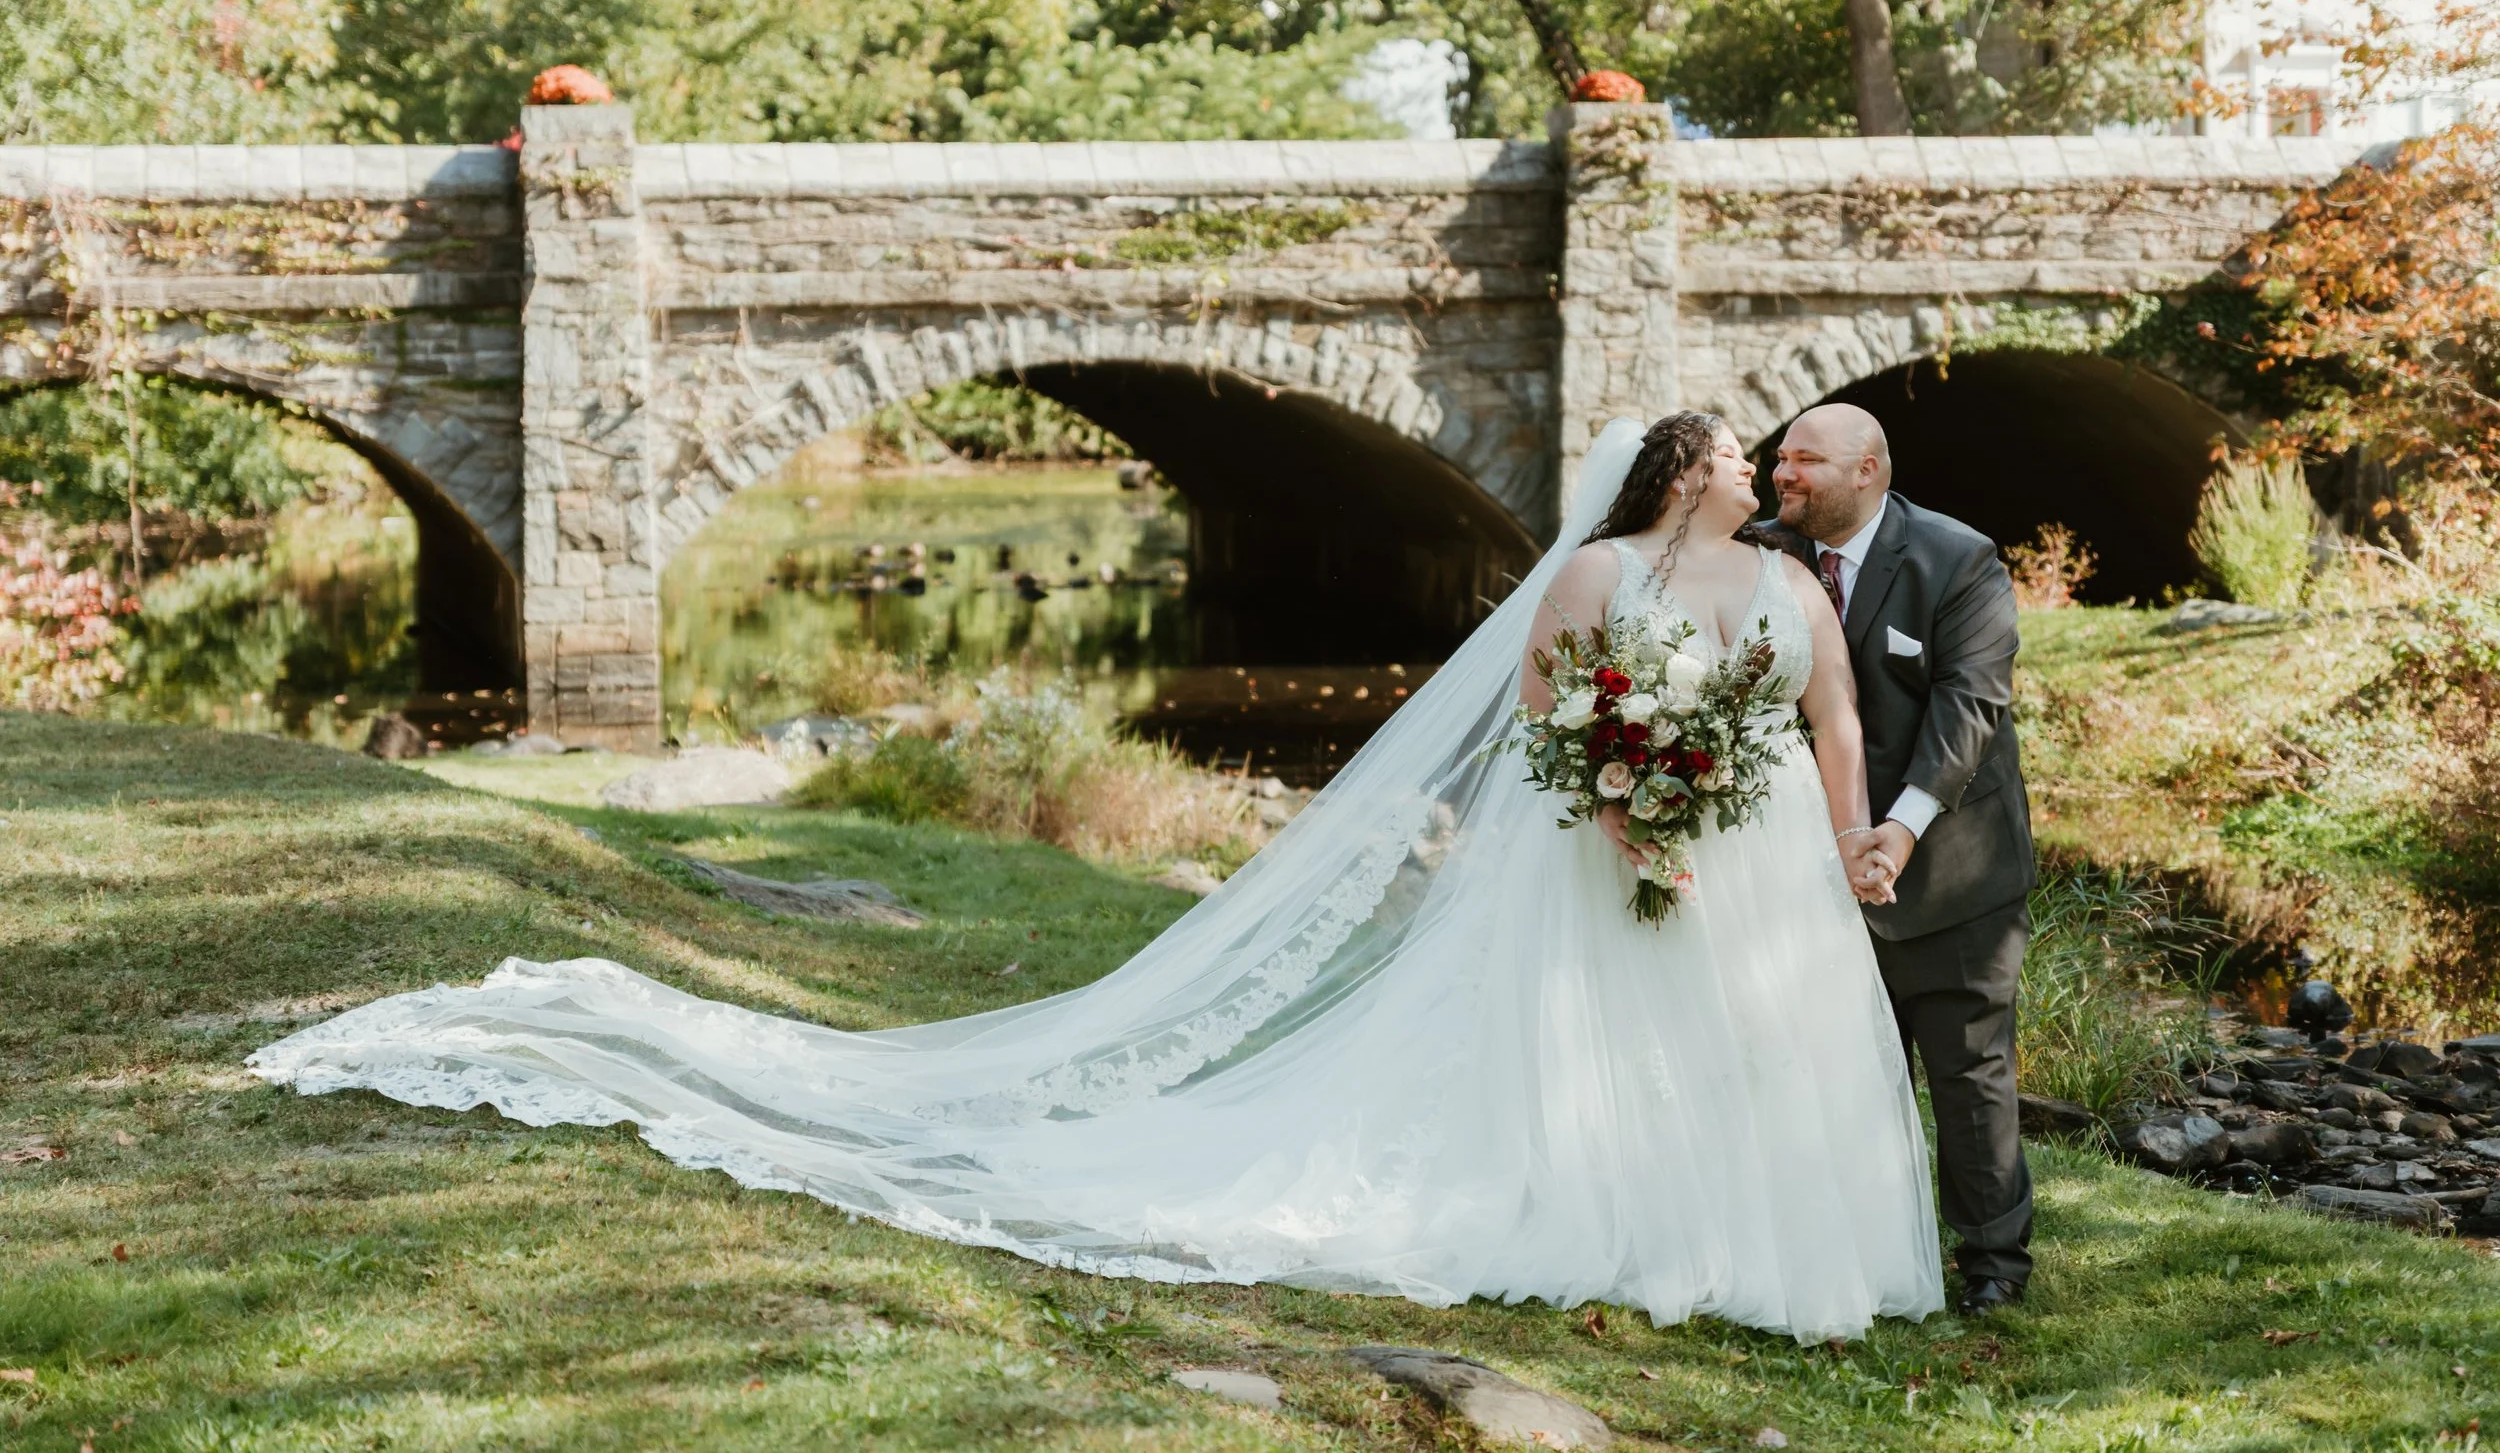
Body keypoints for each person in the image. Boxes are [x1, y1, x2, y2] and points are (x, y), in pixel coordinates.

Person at [251, 414, 1945, 1343]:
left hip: (1763, 859)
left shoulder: (1793, 588)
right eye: (1746, 451)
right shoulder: (1586, 573)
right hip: (1619, 854)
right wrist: (1622, 811)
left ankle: (1775, 1259)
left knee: (1759, 1050)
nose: (1764, 465)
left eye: (1783, 457)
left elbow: (1836, 725)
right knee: (1606, 1044)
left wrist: (1847, 839)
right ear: (1688, 472)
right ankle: (1633, 1230)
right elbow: (1543, 723)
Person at [1761, 403, 2037, 1317]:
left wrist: (1903, 827)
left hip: (1951, 863)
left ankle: (1994, 1262)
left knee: (1968, 1073)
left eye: (1806, 460)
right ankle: (1849, 1251)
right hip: (1803, 872)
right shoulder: (1762, 553)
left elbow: (1969, 706)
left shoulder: (1958, 558)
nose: (1783, 474)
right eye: (1779, 458)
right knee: (1828, 1067)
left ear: (1869, 471)